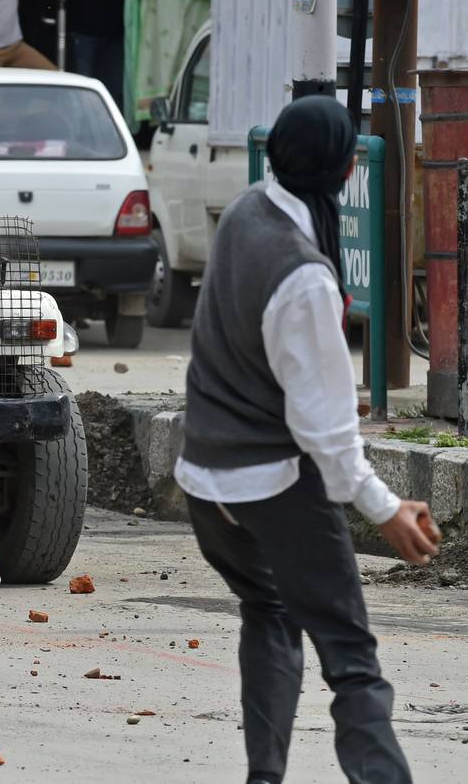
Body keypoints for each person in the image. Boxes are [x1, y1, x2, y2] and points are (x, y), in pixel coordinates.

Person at [176, 96, 440, 784]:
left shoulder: (242, 215)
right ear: (344, 169)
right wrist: (382, 507)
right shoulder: (303, 277)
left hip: (204, 481)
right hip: (273, 485)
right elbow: (324, 432)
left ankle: (263, 777)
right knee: (350, 657)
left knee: (266, 610)